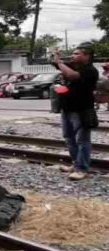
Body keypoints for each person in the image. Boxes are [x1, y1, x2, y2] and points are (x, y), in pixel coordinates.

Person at [52, 45, 99, 180]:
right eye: (72, 53)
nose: (72, 56)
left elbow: (72, 76)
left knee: (82, 140)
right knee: (69, 138)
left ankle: (82, 169)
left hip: (82, 110)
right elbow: (56, 64)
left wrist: (60, 63)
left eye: (76, 53)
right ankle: (75, 164)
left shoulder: (90, 70)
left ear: (86, 56)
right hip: (67, 109)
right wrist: (55, 55)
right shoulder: (74, 67)